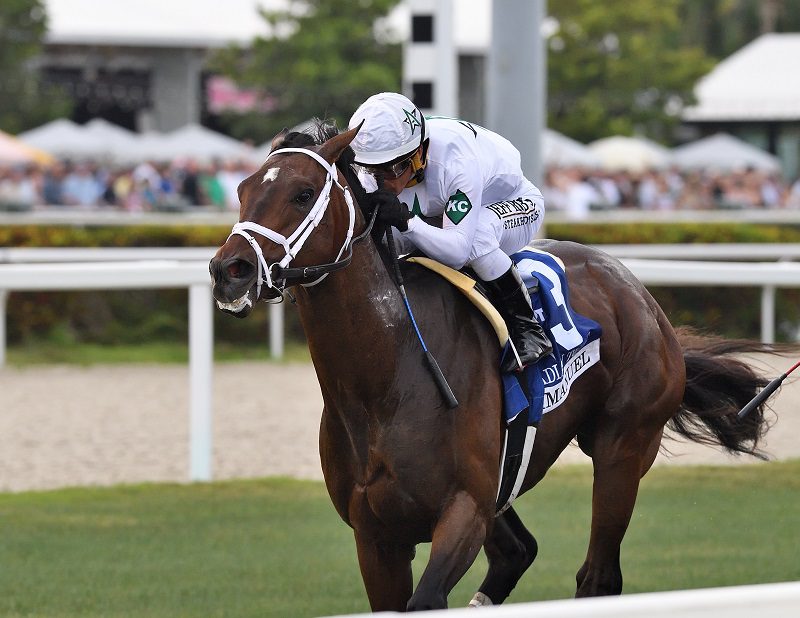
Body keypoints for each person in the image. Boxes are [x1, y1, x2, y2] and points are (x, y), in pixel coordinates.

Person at [348, 92, 551, 373]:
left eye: (393, 169)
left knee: (478, 237)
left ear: (419, 153)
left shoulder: (456, 161)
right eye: (372, 170)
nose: (385, 182)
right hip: (439, 212)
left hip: (511, 203)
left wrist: (408, 222)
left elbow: (457, 253)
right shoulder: (378, 167)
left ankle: (528, 329)